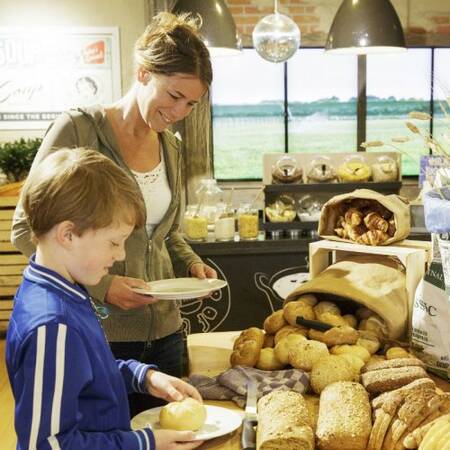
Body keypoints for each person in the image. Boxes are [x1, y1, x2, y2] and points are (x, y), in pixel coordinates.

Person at [11, 12, 217, 416]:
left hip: (167, 332)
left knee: (171, 433)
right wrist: (104, 287)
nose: (180, 112)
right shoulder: (79, 130)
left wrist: (192, 265)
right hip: (101, 331)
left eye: (192, 103)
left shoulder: (170, 147)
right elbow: (26, 227)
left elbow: (165, 232)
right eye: (174, 96)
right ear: (143, 73)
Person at [6, 148, 204, 450]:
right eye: (114, 242)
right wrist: (144, 443)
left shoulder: (62, 289)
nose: (121, 255)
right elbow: (46, 444)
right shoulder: (52, 327)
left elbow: (87, 372)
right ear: (68, 235)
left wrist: (143, 376)